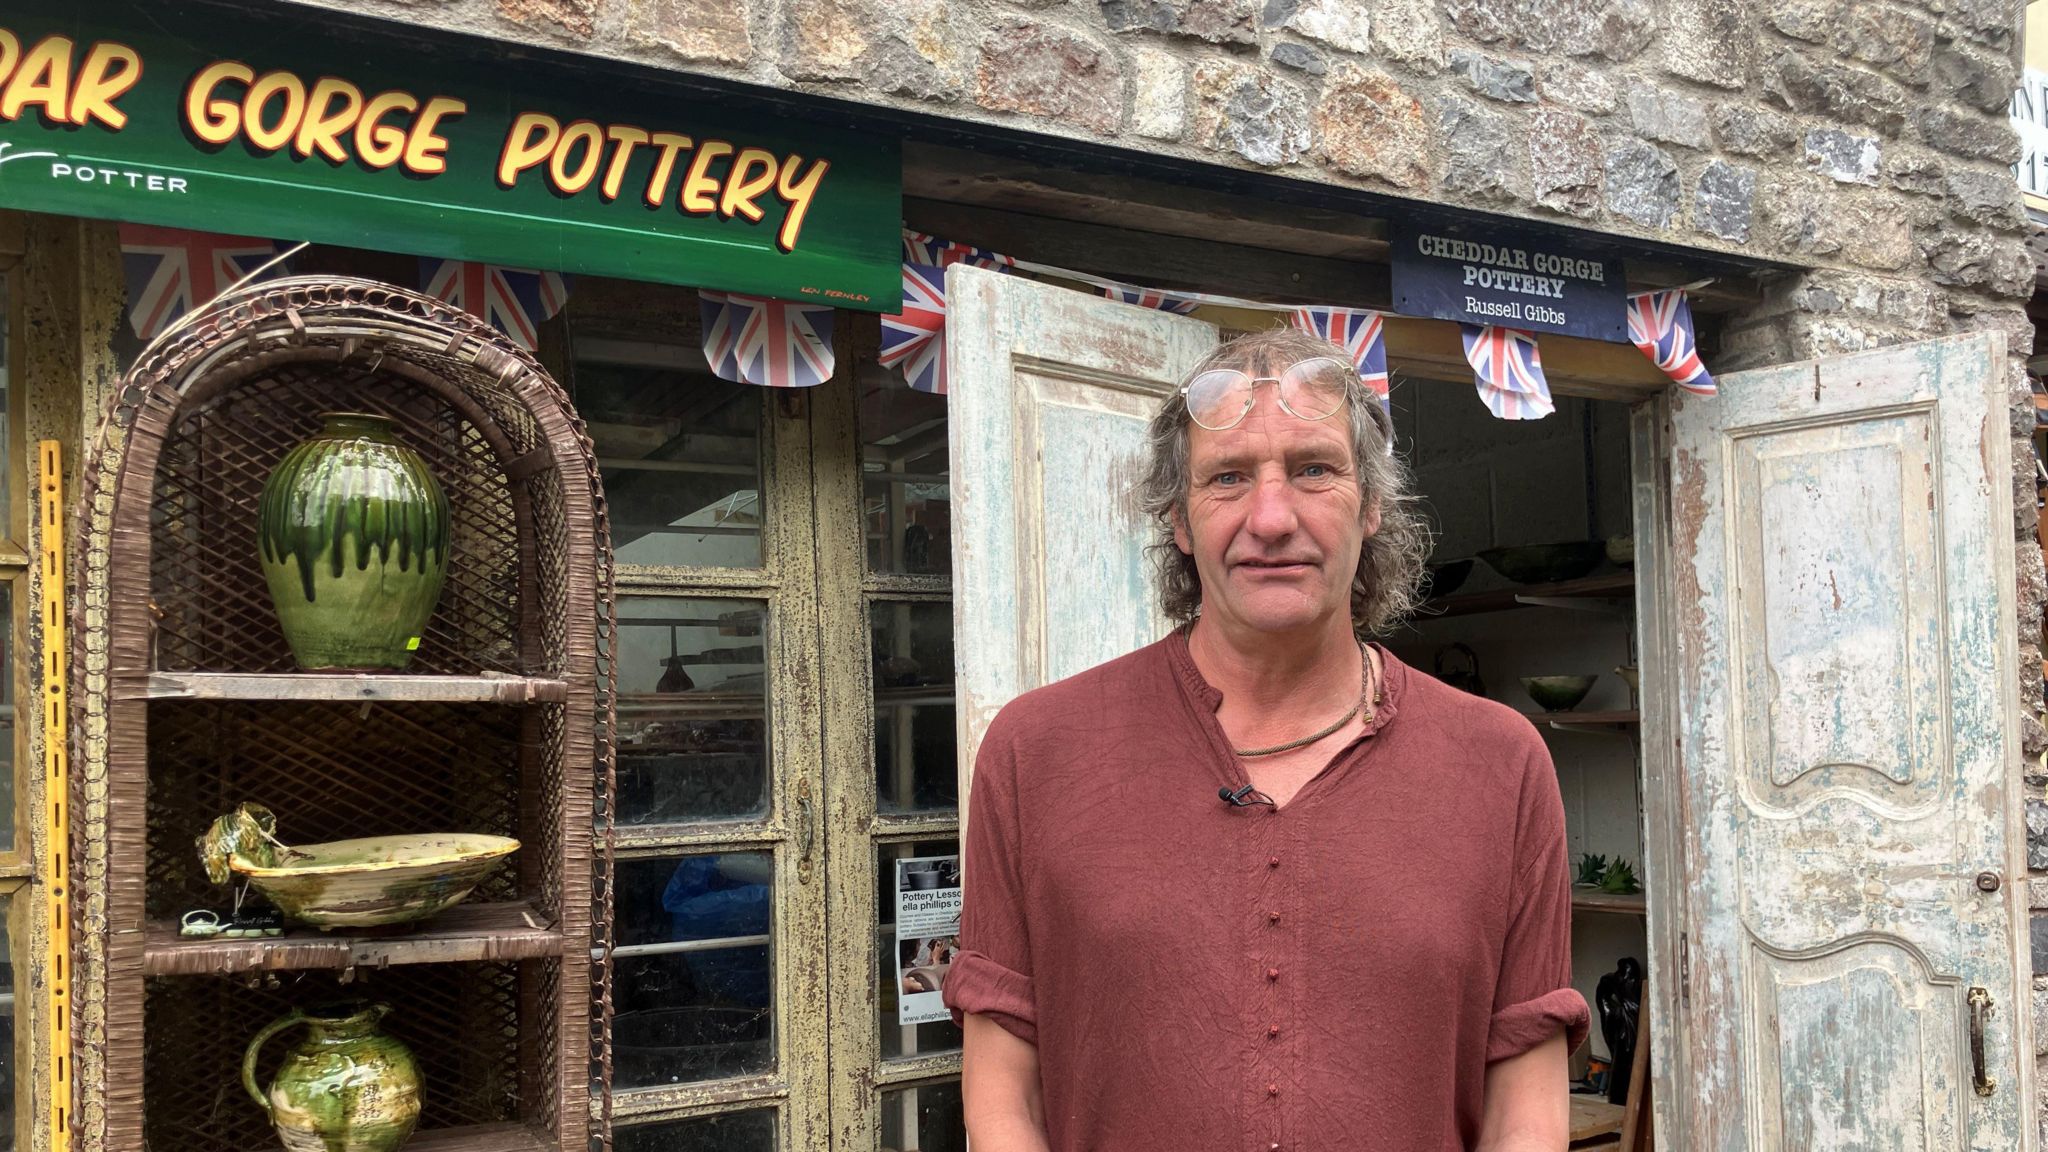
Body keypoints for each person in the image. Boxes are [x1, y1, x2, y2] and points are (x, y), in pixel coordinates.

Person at [943, 328, 1589, 1151]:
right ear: (1179, 520)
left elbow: (1524, 1104)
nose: (1272, 517)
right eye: (1229, 477)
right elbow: (1004, 1090)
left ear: (1374, 503)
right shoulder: (1038, 752)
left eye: (1314, 469)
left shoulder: (1500, 764)